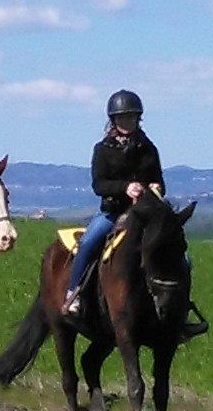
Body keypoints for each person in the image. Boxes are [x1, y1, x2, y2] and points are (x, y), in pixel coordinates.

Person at [65, 88, 164, 316]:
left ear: (139, 118)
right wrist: (125, 188)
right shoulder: (103, 150)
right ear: (114, 120)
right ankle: (73, 293)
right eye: (122, 117)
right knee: (88, 242)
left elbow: (159, 181)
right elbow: (99, 185)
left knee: (179, 253)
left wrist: (154, 188)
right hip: (113, 213)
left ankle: (178, 307)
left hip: (145, 214)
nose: (127, 121)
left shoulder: (149, 149)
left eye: (131, 117)